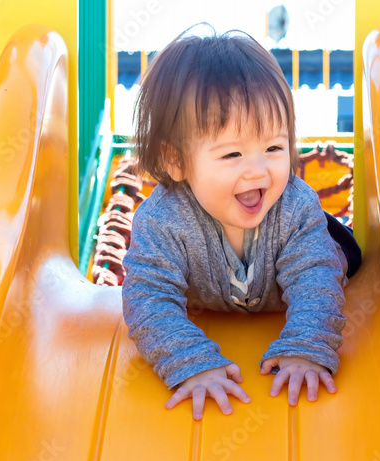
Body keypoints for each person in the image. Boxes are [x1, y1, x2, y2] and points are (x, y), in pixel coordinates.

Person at [122, 27, 361, 421]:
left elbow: (315, 280)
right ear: (176, 160)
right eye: (232, 154)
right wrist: (190, 362)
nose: (258, 171)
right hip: (214, 312)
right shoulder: (162, 222)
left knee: (329, 259)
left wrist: (306, 346)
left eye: (273, 148)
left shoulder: (295, 207)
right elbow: (147, 298)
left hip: (313, 264)